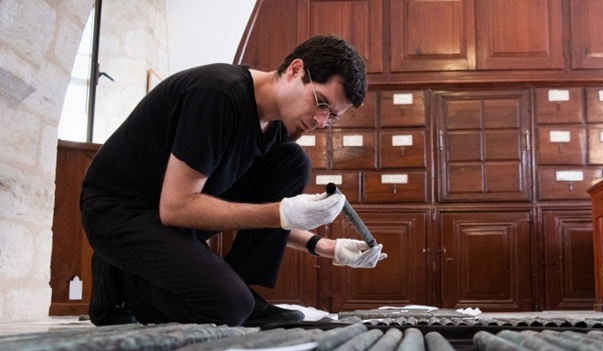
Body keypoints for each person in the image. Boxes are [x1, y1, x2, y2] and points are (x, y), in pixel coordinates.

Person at [80, 35, 387, 327]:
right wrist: (281, 212)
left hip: (169, 217)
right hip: (119, 213)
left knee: (293, 161)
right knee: (231, 306)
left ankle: (238, 286)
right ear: (295, 70)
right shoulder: (218, 95)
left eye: (332, 116)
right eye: (320, 102)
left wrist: (325, 246)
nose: (320, 121)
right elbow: (176, 208)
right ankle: (118, 283)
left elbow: (258, 213)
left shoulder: (277, 128)